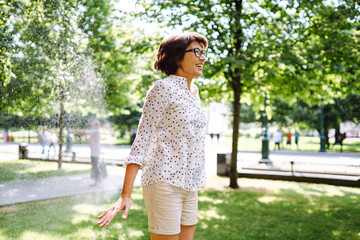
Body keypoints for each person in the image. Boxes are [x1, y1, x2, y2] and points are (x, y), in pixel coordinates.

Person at [97, 32, 208, 240]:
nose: (203, 58)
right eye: (196, 52)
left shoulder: (195, 92)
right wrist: (126, 195)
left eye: (204, 53)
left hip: (191, 184)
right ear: (177, 56)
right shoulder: (162, 88)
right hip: (164, 181)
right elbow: (142, 140)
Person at [74, 120, 107, 187]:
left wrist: (76, 131)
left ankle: (99, 182)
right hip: (94, 151)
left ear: (96, 125)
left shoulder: (96, 131)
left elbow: (85, 132)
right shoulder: (95, 131)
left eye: (93, 124)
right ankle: (96, 181)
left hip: (95, 152)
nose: (92, 126)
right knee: (94, 167)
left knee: (96, 167)